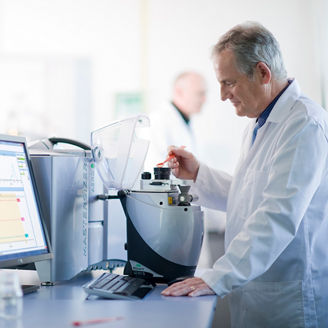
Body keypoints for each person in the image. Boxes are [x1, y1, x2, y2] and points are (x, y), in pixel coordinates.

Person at [161, 21, 328, 328]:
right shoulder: (259, 123)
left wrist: (218, 276)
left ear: (263, 73)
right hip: (258, 292)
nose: (223, 96)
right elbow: (248, 195)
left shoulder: (304, 125)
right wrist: (198, 173)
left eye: (230, 83)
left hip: (289, 300)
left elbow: (278, 214)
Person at [144, 71, 206, 170]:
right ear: (179, 92)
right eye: (199, 94)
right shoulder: (158, 121)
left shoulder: (185, 121)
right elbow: (155, 168)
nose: (204, 99)